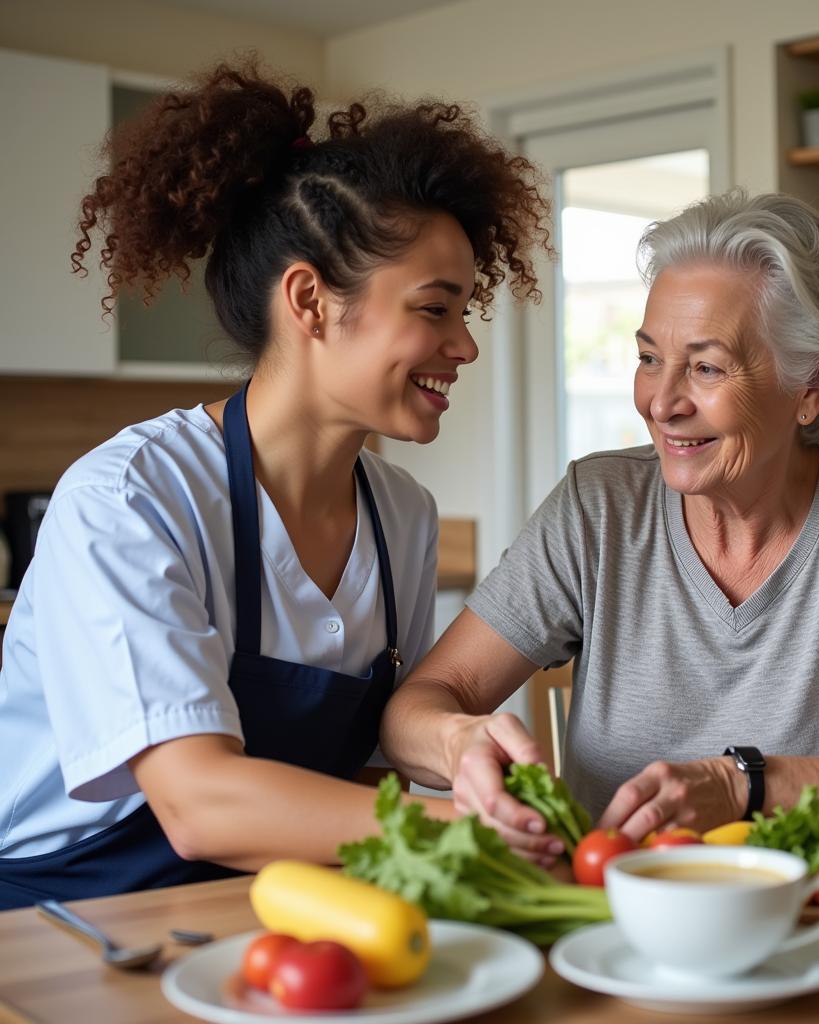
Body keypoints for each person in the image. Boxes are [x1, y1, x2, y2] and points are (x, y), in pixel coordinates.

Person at [0, 60, 548, 909]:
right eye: (436, 309)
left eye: (467, 312)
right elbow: (198, 802)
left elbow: (359, 774)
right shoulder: (132, 499)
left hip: (265, 897)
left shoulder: (401, 514)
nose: (466, 346)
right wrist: (465, 831)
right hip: (61, 918)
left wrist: (464, 764)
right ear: (310, 300)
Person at [380, 190, 819, 865]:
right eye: (650, 358)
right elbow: (418, 705)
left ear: (813, 387)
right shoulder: (599, 505)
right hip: (616, 921)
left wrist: (742, 785)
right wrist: (457, 743)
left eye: (706, 367)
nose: (662, 402)